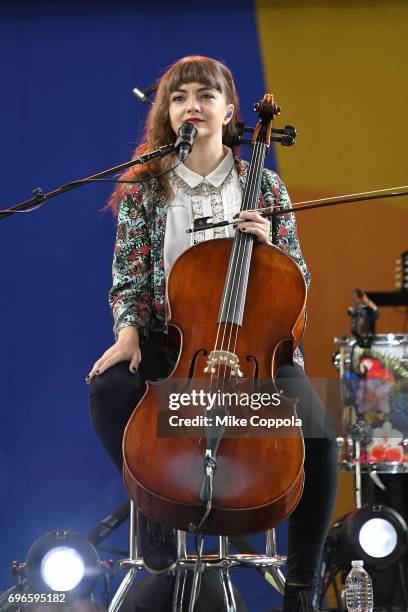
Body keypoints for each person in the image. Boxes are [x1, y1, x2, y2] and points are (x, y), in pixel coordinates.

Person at [88, 55, 338, 611]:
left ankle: (301, 583)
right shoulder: (147, 189)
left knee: (324, 428)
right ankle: (153, 517)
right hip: (174, 346)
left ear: (229, 111)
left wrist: (271, 243)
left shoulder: (264, 186)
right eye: (179, 98)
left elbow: (298, 279)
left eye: (205, 95)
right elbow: (128, 276)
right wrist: (127, 334)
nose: (192, 106)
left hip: (255, 348)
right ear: (167, 114)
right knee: (106, 391)